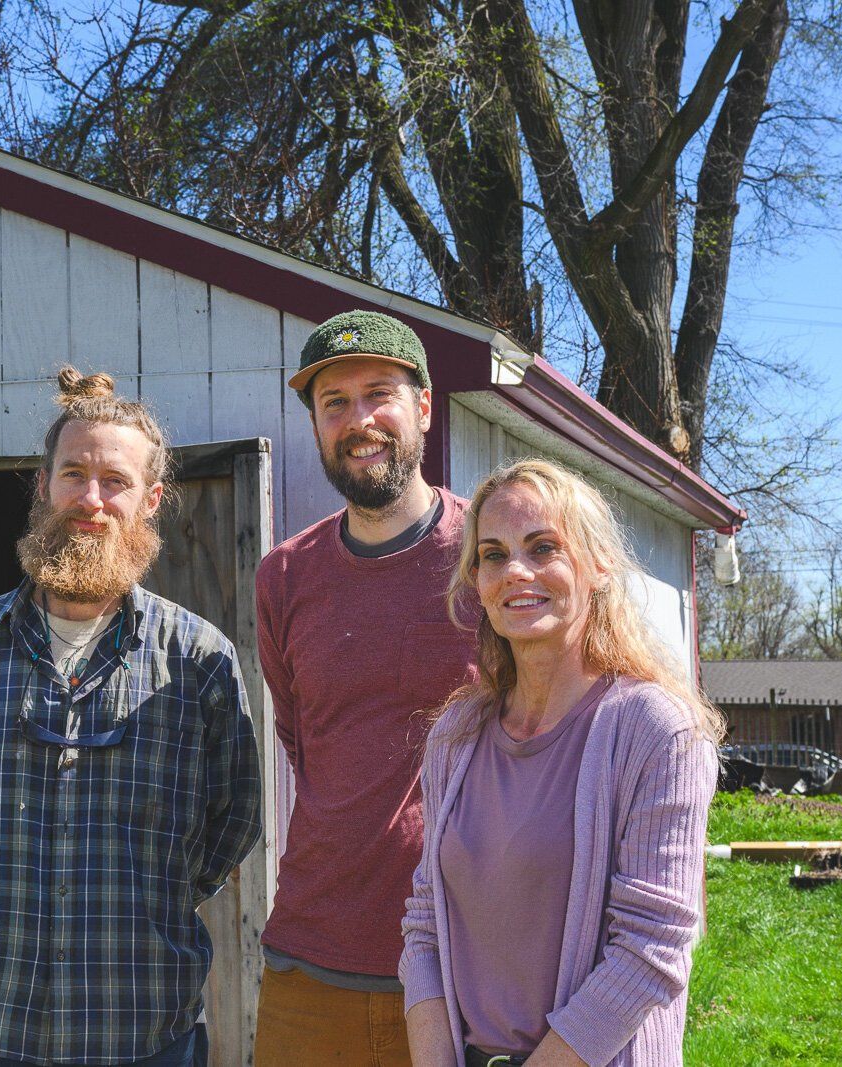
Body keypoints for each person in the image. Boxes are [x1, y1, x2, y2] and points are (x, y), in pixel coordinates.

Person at [0, 368, 263, 1067]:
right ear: (43, 485)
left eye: (116, 481)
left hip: (141, 1027)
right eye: (74, 474)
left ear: (151, 499)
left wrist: (147, 899)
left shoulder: (198, 660)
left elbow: (234, 818)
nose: (91, 500)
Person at [401, 459, 720, 1067]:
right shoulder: (456, 734)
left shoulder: (655, 729)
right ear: (476, 581)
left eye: (543, 546)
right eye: (492, 554)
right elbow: (425, 923)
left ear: (599, 565)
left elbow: (651, 949)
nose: (515, 571)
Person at [253, 310, 478, 1066]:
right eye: (334, 403)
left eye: (379, 393)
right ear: (316, 426)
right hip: (312, 959)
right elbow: (303, 742)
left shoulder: (494, 555)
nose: (359, 420)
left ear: (422, 406)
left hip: (470, 960)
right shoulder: (283, 575)